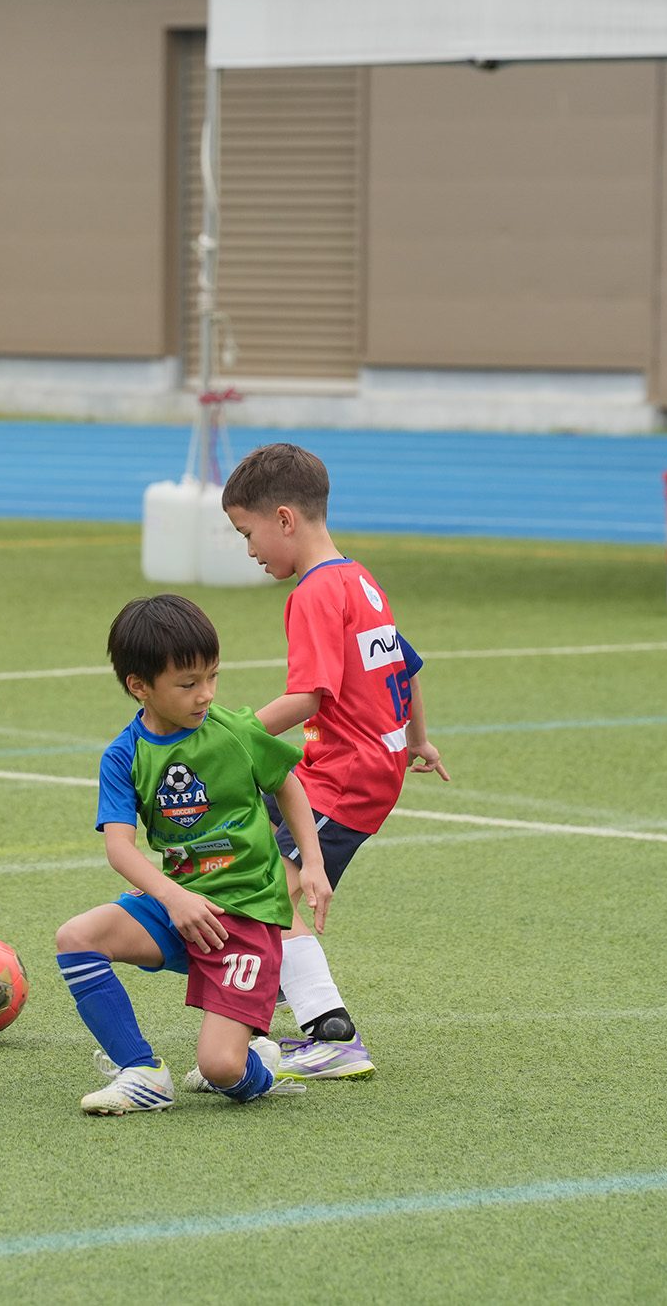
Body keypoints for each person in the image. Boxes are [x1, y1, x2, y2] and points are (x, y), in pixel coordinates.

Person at [220, 443, 448, 1082]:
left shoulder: (315, 593)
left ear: (284, 519)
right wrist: (418, 740)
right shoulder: (359, 580)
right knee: (246, 863)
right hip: (357, 766)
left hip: (343, 777)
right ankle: (269, 1001)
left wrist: (227, 736)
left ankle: (331, 1033)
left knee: (267, 895)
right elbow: (406, 664)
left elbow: (308, 697)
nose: (249, 550)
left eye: (248, 533)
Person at [55, 593, 331, 1115]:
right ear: (140, 686)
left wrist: (312, 864)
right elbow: (119, 847)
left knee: (221, 1069)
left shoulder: (234, 730)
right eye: (187, 684)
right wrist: (172, 897)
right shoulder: (124, 754)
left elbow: (288, 783)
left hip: (245, 916)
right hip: (181, 907)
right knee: (77, 938)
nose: (205, 694)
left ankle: (257, 1063)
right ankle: (142, 1073)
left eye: (212, 676)